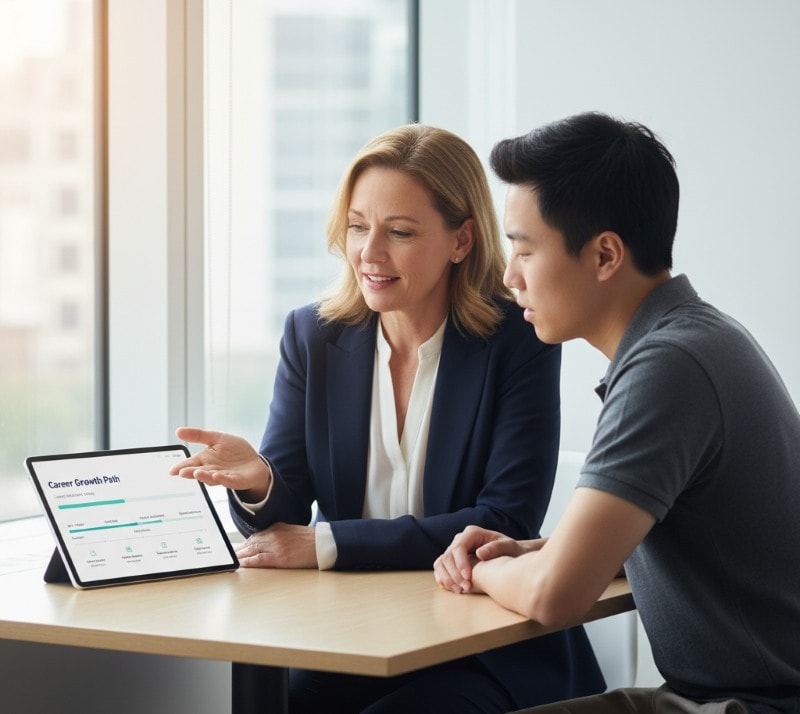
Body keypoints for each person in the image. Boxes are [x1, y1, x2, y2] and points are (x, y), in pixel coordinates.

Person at [170, 123, 605, 713]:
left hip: (487, 647)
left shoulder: (517, 340)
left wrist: (328, 545)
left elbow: (502, 519)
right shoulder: (314, 336)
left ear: (462, 240)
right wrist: (261, 482)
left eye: (399, 232)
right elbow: (285, 522)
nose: (368, 254)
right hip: (356, 637)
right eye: (357, 227)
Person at [433, 112, 800, 714]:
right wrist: (536, 551)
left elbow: (556, 597)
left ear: (604, 254)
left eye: (524, 249)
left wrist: (478, 571)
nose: (509, 277)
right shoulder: (692, 339)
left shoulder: (669, 367)